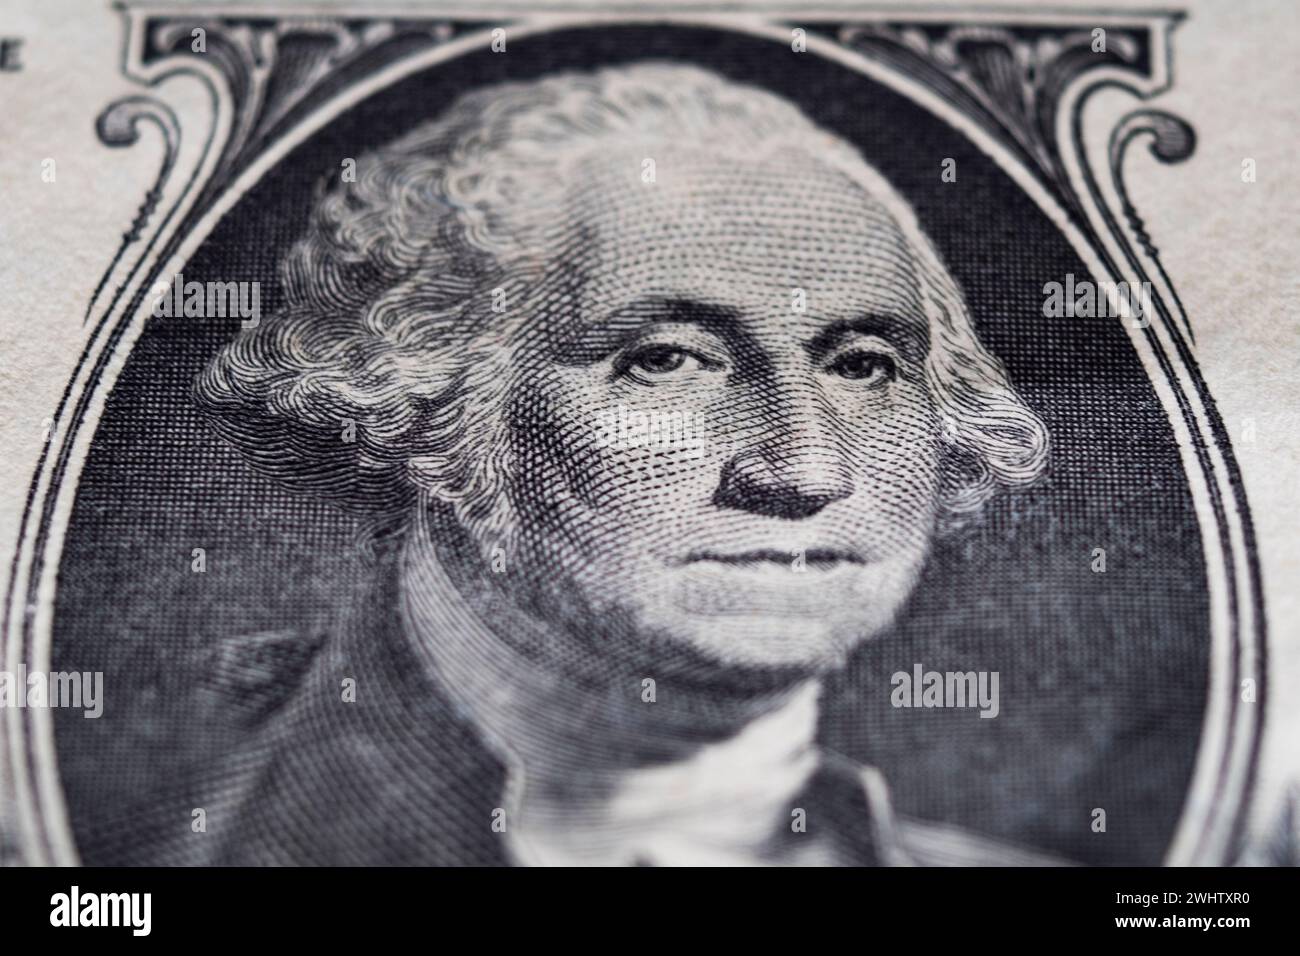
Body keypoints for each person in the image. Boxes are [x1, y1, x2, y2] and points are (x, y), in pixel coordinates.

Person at [192, 62, 1051, 865]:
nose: (803, 469)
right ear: (426, 399)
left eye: (863, 365)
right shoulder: (156, 841)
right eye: (667, 359)